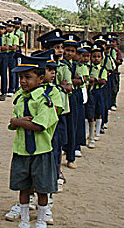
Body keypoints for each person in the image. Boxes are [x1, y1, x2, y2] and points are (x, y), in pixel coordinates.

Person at [5, 49, 62, 226]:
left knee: (42, 187)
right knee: (23, 186)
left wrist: (18, 121)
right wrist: (18, 121)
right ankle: (24, 219)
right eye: (21, 77)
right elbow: (12, 123)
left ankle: (42, 220)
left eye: (27, 77)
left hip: (41, 150)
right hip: (21, 150)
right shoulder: (20, 98)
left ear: (40, 78)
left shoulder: (45, 100)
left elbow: (38, 125)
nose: (23, 81)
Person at [37, 29, 70, 192]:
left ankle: (56, 174)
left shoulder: (63, 66)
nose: (60, 50)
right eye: (56, 47)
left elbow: (67, 86)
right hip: (42, 113)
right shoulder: (38, 66)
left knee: (56, 145)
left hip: (58, 113)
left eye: (61, 47)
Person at [61, 33, 82, 169]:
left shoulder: (77, 65)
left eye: (72, 51)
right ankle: (62, 148)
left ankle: (71, 157)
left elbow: (80, 80)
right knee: (62, 125)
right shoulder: (60, 64)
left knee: (72, 126)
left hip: (72, 97)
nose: (69, 53)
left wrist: (72, 82)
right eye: (66, 50)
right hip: (62, 98)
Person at [85, 43, 107, 147]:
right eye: (94, 57)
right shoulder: (88, 68)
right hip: (90, 92)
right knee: (89, 113)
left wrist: (95, 80)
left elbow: (103, 81)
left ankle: (96, 132)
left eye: (98, 57)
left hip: (98, 92)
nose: (96, 59)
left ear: (102, 58)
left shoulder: (102, 69)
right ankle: (88, 133)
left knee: (99, 112)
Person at [0, 21, 10, 101]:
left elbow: (7, 48)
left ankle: (3, 92)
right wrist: (1, 47)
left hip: (4, 56)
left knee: (4, 74)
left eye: (2, 29)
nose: (0, 31)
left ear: (5, 30)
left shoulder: (7, 38)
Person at [107, 34, 123, 110]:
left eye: (113, 42)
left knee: (114, 88)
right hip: (106, 72)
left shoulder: (117, 52)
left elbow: (120, 61)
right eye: (110, 42)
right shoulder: (107, 51)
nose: (111, 43)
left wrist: (113, 60)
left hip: (114, 72)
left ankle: (113, 103)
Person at [6, 20, 20, 97]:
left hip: (12, 54)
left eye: (10, 27)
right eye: (7, 26)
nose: (8, 28)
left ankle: (11, 88)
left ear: (13, 28)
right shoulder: (4, 36)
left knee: (12, 71)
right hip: (5, 54)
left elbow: (15, 47)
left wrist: (8, 47)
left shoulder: (15, 37)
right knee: (4, 72)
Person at [13, 16, 26, 92]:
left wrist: (16, 41)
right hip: (12, 50)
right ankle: (12, 86)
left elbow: (22, 41)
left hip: (18, 51)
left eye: (18, 24)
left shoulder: (21, 33)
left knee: (18, 68)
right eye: (15, 24)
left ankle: (17, 86)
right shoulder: (11, 33)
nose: (16, 26)